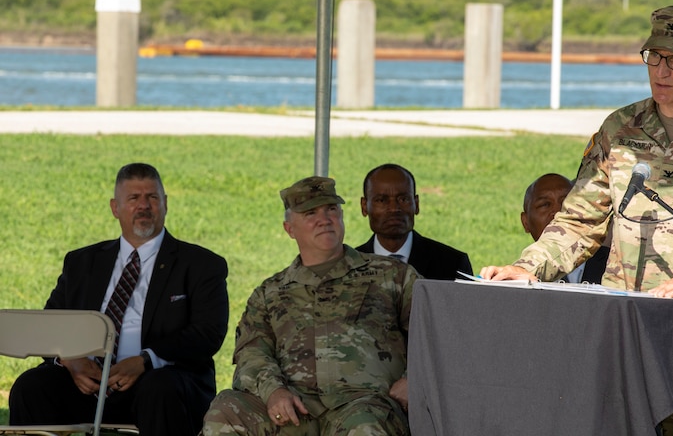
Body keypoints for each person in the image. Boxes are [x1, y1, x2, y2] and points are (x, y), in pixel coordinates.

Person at [481, 6, 673, 436]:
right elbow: (580, 221)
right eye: (653, 56)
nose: (661, 70)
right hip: (620, 343)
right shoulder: (619, 130)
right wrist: (528, 268)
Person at [8, 162, 230, 436]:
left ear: (165, 204)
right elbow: (50, 323)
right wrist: (71, 361)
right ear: (115, 208)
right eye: (134, 198)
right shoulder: (82, 263)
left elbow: (208, 333)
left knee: (160, 389)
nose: (144, 206)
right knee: (31, 387)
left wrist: (146, 360)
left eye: (152, 197)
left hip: (159, 381)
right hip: (85, 382)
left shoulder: (200, 265)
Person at [201, 176, 416, 436]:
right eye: (310, 213)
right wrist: (274, 391)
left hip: (363, 404)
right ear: (289, 229)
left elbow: (436, 334)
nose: (324, 219)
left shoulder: (393, 275)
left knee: (366, 425)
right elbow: (251, 352)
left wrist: (412, 379)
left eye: (331, 210)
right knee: (226, 409)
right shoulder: (270, 292)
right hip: (293, 409)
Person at [355, 163, 473, 280]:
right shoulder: (348, 266)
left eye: (403, 199)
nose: (394, 209)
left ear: (416, 204)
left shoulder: (453, 264)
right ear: (364, 206)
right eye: (381, 200)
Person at [521, 172, 608, 283]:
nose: (557, 212)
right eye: (545, 204)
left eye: (565, 202)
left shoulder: (614, 264)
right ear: (525, 222)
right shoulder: (522, 274)